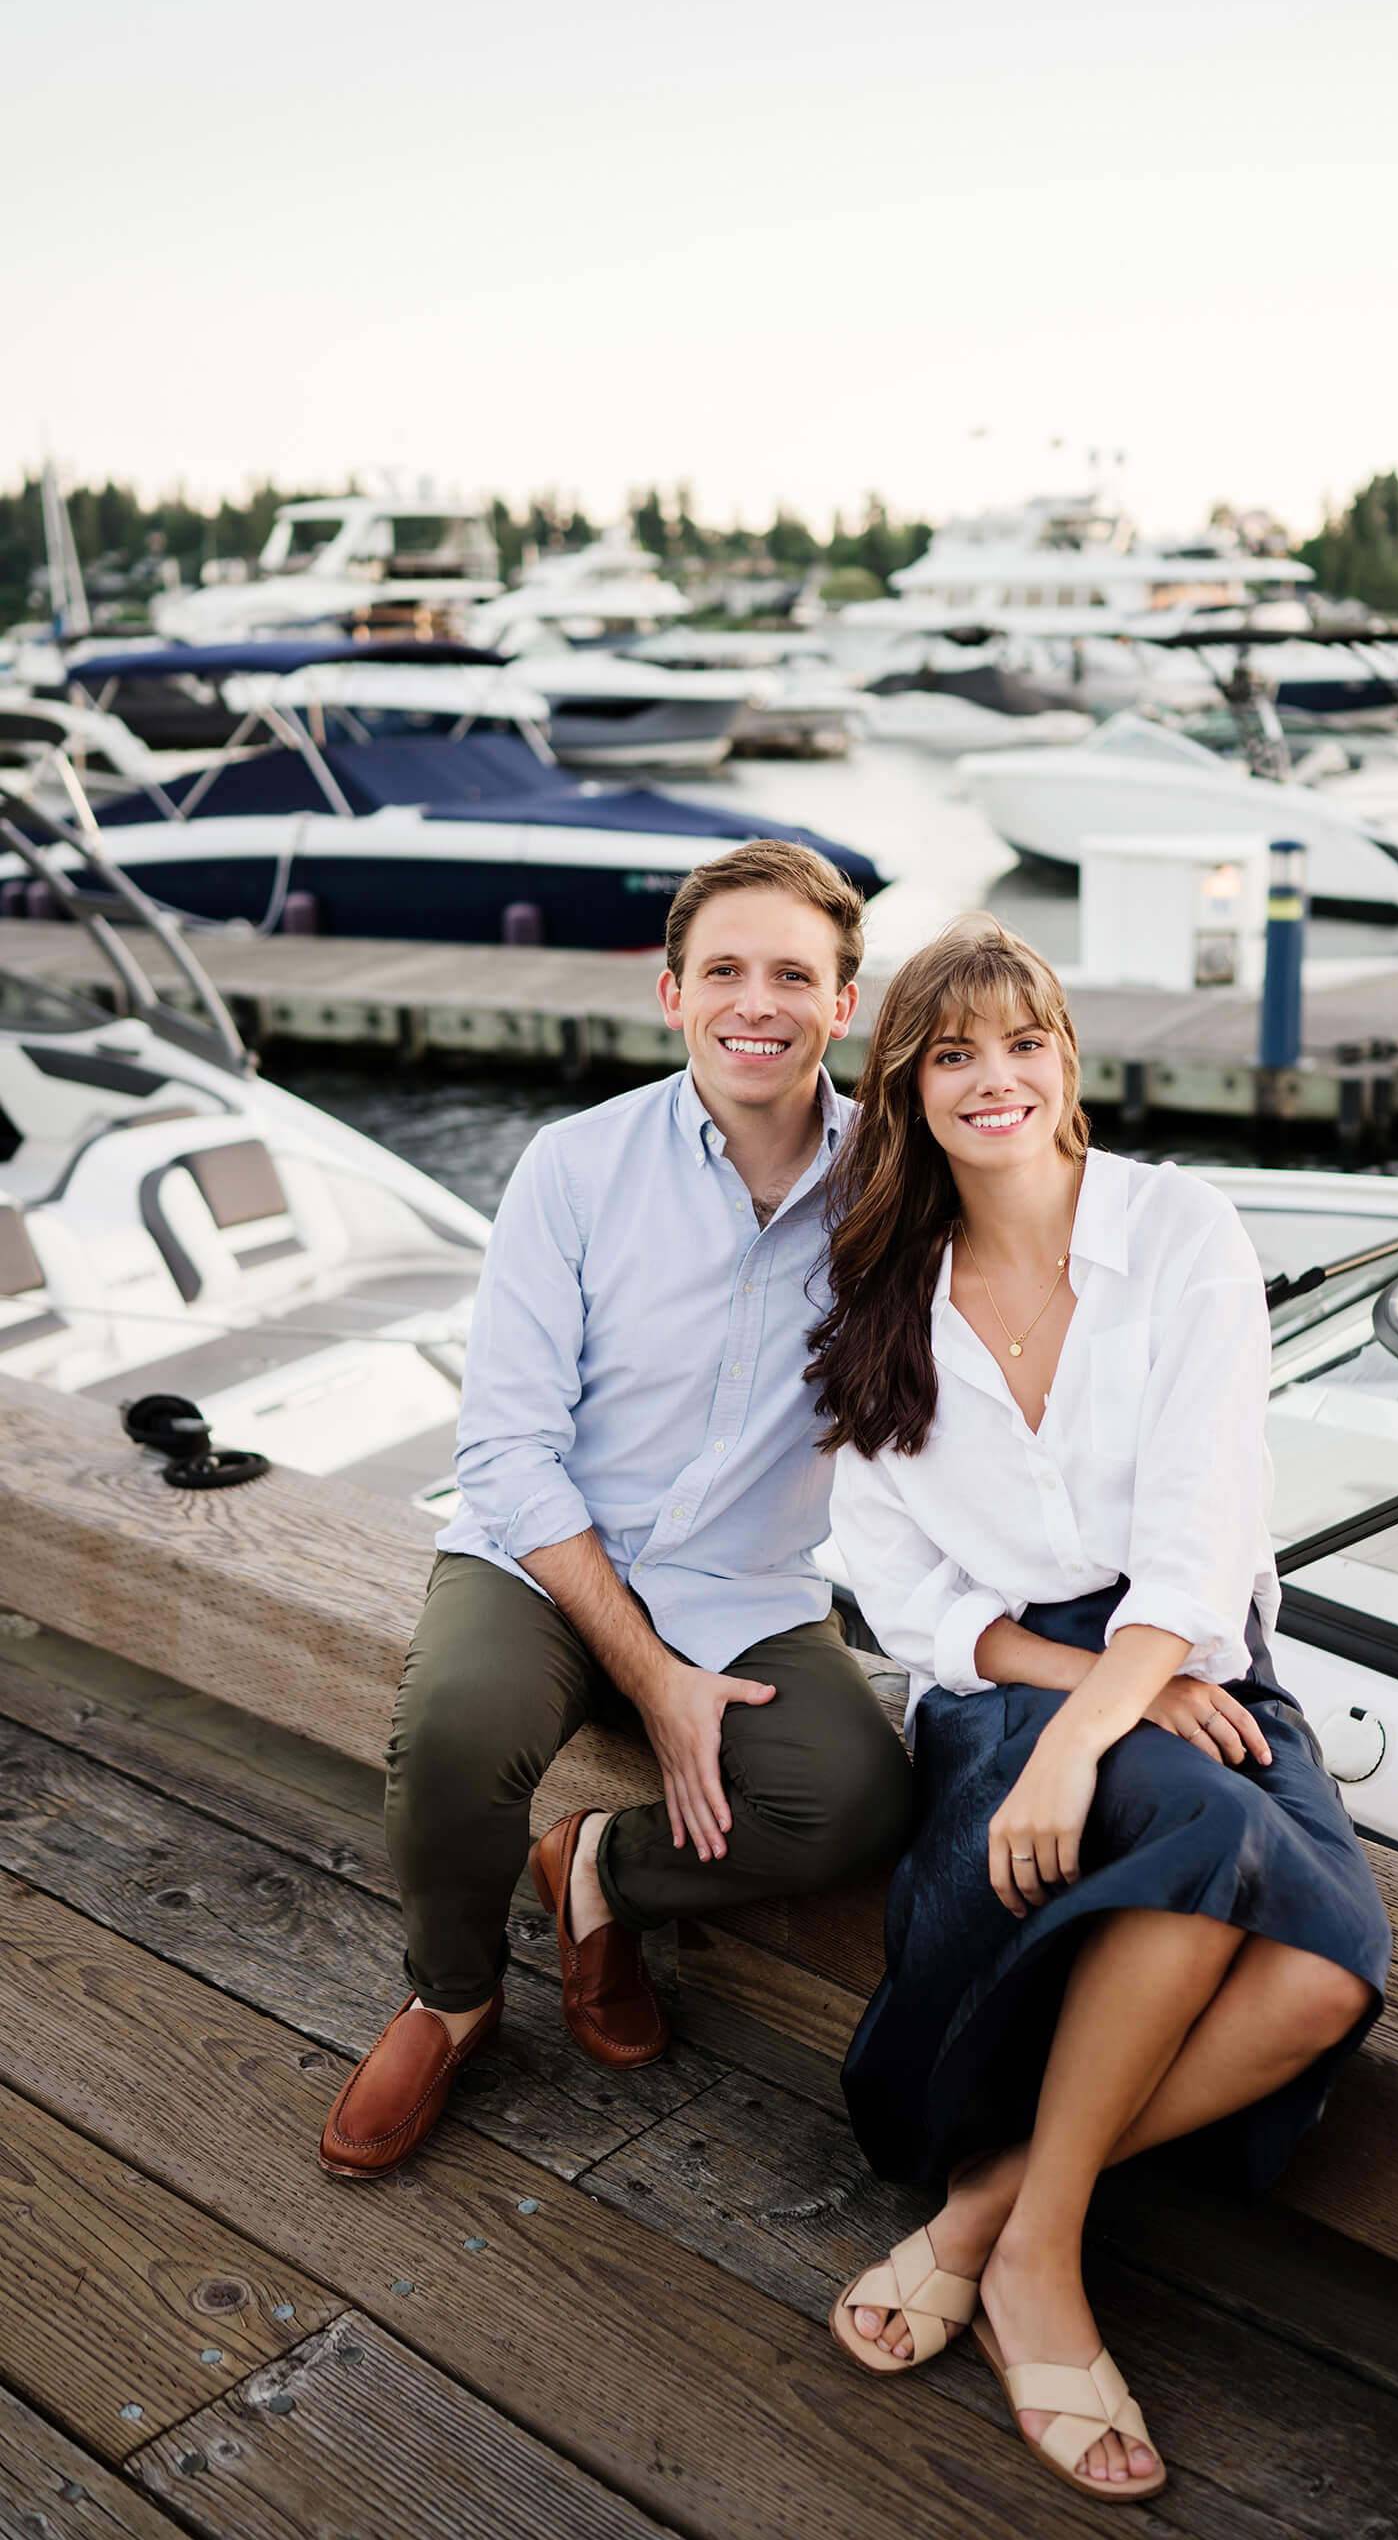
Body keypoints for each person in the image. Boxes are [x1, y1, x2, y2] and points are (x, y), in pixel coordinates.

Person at [810, 918, 1390, 2506]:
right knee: (1206, 1825)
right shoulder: (880, 1285)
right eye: (952, 1056)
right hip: (1002, 1684)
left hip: (1188, 1647)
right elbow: (900, 1584)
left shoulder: (1181, 1230)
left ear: (1067, 1059)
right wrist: (1075, 1705)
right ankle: (1045, 2271)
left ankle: (993, 2210)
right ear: (908, 1091)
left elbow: (1204, 1540)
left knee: (1324, 1981)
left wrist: (1112, 1717)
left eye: (1024, 1044)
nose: (995, 1080)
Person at [320, 841, 915, 2178]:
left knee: (855, 1803)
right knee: (457, 1733)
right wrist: (651, 1679)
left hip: (743, 1583)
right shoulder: (574, 1166)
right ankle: (454, 1999)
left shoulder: (897, 1183)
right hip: (542, 1556)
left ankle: (600, 1873)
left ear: (843, 1004)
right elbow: (509, 1447)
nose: (754, 1002)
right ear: (671, 996)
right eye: (724, 972)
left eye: (792, 975)